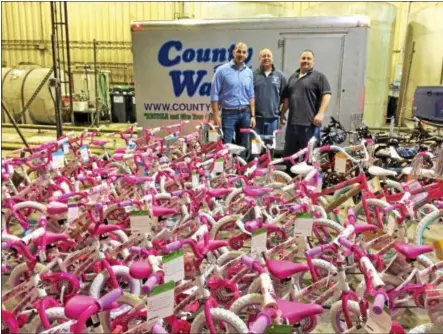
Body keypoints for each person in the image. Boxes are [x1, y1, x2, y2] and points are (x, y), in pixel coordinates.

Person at [281, 50, 331, 158]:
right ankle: (289, 175)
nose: (305, 61)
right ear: (300, 59)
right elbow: (287, 98)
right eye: (303, 58)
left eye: (309, 59)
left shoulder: (319, 77)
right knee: (289, 157)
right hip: (292, 125)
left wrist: (321, 113)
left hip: (309, 125)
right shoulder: (293, 77)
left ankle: (308, 175)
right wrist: (282, 113)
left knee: (309, 158)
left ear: (313, 61)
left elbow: (326, 95)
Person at [210, 42, 255, 159]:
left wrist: (253, 115)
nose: (241, 54)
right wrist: (216, 115)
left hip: (245, 114)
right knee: (226, 146)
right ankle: (225, 173)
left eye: (244, 52)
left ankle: (241, 171)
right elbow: (214, 94)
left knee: (244, 145)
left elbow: (251, 95)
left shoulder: (249, 72)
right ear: (233, 52)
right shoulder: (221, 71)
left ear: (247, 55)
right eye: (239, 51)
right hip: (228, 114)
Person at [253, 48, 287, 136]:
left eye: (268, 56)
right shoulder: (253, 75)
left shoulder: (280, 76)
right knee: (256, 148)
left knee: (270, 146)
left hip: (273, 119)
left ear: (272, 59)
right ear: (259, 59)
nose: (266, 58)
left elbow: (286, 97)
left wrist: (282, 113)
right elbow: (249, 97)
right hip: (256, 119)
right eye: (263, 56)